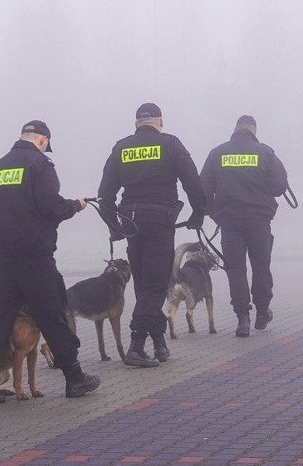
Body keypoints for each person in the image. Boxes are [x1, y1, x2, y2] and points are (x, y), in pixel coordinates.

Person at [0, 120, 100, 402]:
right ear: (43, 141)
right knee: (53, 315)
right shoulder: (40, 165)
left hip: (3, 260)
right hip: (35, 259)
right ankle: (75, 377)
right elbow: (51, 206)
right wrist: (76, 206)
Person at [97, 103, 206, 368]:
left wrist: (116, 227)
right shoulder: (171, 145)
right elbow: (193, 183)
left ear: (136, 124)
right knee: (155, 287)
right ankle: (136, 346)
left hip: (132, 223)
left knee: (146, 285)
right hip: (159, 222)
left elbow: (105, 195)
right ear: (161, 122)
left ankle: (158, 343)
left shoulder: (121, 148)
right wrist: (197, 216)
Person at [199, 115, 288, 337]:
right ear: (254, 130)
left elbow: (203, 190)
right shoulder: (265, 153)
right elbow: (279, 186)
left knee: (236, 269)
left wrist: (213, 212)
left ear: (235, 129)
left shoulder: (217, 153)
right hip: (259, 221)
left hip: (229, 222)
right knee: (261, 266)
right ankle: (261, 311)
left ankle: (243, 319)